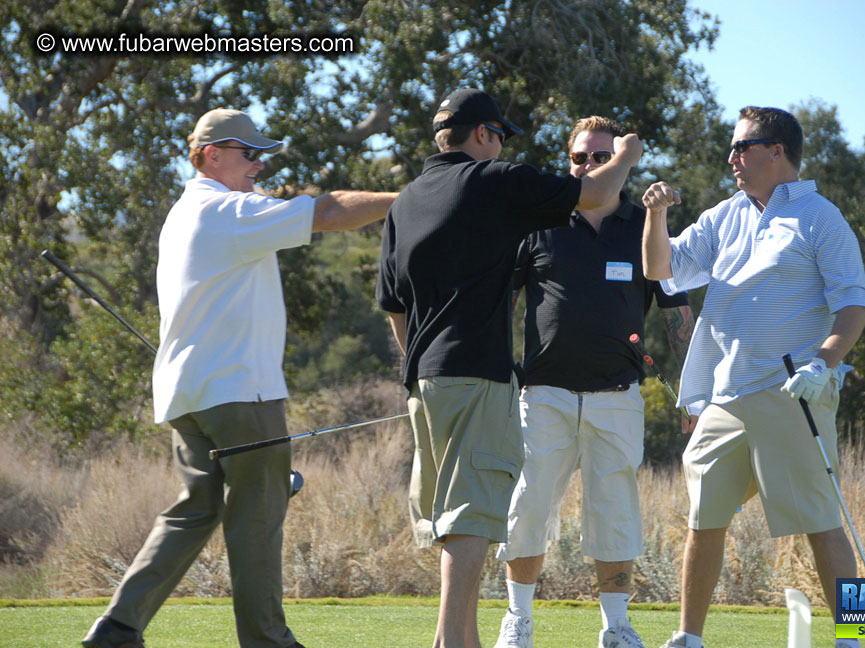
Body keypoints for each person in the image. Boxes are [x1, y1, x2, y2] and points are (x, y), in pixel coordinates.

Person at [82, 108, 398, 648]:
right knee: (256, 519)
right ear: (211, 155)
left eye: (261, 155)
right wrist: (411, 200)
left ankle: (118, 625)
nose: (259, 164)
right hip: (239, 395)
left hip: (186, 395)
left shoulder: (186, 212)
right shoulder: (227, 210)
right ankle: (268, 641)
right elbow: (328, 212)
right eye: (249, 154)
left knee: (196, 509)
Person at [376, 89, 642, 648]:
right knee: (474, 518)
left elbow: (394, 308)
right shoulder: (492, 180)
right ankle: (453, 642)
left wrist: (426, 368)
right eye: (499, 137)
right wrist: (627, 155)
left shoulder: (406, 200)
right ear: (482, 134)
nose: (500, 149)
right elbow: (595, 195)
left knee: (451, 518)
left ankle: (465, 639)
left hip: (424, 380)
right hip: (479, 375)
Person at [641, 106, 865, 648]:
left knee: (820, 519)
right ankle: (688, 638)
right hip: (725, 394)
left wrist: (825, 363)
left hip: (792, 390)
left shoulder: (819, 217)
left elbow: (855, 304)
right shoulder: (726, 215)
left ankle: (852, 639)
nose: (731, 159)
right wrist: (655, 216)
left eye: (742, 148)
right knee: (704, 518)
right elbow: (662, 268)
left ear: (778, 151)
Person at [493, 116, 695, 648]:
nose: (589, 167)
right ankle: (518, 620)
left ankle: (615, 626)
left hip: (618, 396)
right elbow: (499, 303)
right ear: (569, 161)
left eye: (600, 158)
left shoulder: (644, 225)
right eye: (580, 158)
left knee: (615, 511)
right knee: (530, 504)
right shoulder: (539, 223)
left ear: (618, 163)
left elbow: (675, 310)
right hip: (543, 394)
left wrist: (694, 386)